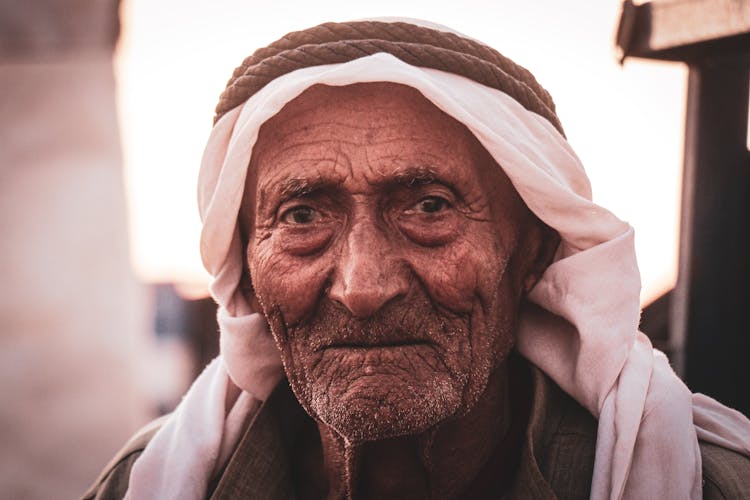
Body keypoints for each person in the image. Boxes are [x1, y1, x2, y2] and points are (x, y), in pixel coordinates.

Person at [85, 19, 750, 500]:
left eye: (430, 208)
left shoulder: (706, 484)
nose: (363, 287)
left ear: (532, 253)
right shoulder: (141, 484)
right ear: (248, 273)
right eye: (302, 216)